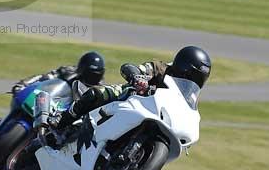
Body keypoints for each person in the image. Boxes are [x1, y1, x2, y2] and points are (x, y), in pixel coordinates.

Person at [50, 45, 211, 131]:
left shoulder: (189, 95)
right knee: (95, 94)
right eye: (193, 76)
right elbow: (130, 67)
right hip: (130, 98)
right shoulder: (161, 68)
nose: (194, 81)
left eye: (199, 79)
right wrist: (137, 77)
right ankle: (62, 119)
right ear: (183, 68)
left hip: (157, 118)